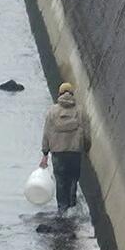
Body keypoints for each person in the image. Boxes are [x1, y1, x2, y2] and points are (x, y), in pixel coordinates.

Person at [40, 80, 91, 214]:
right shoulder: (80, 111)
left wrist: (45, 153)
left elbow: (46, 133)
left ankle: (62, 211)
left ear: (60, 94)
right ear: (72, 94)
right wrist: (86, 148)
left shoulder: (52, 112)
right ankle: (72, 209)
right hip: (74, 153)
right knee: (73, 180)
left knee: (61, 182)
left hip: (58, 154)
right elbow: (86, 134)